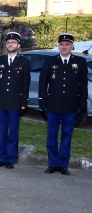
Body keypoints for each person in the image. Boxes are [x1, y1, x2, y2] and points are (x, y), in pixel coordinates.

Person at [39, 33, 87, 175]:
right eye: (61, 44)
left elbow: (83, 85)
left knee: (67, 134)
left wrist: (82, 104)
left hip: (71, 105)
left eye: (67, 44)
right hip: (53, 104)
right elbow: (43, 83)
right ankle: (52, 163)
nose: (64, 47)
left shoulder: (80, 62)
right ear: (58, 45)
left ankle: (63, 164)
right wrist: (42, 101)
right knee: (52, 135)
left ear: (72, 46)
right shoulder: (50, 61)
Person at [0, 32, 31, 169]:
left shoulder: (24, 62)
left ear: (19, 45)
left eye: (13, 42)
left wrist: (24, 102)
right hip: (1, 102)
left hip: (15, 103)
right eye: (8, 42)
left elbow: (26, 84)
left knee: (13, 132)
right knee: (2, 132)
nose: (10, 44)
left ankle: (11, 158)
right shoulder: (0, 60)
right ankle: (1, 157)